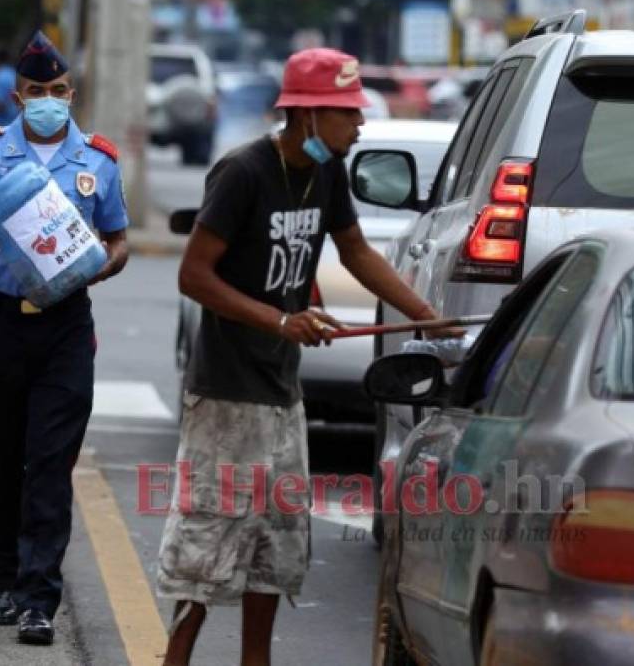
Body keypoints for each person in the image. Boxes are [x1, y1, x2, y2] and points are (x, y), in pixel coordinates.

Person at [156, 48, 458, 666]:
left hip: (281, 392)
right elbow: (193, 275)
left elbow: (356, 252)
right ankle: (175, 658)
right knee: (205, 543)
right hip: (226, 393)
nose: (360, 125)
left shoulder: (327, 174)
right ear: (309, 114)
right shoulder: (242, 173)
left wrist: (424, 314)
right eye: (348, 114)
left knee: (277, 543)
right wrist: (280, 320)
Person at [0, 30, 129, 646]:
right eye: (35, 91)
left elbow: (118, 239)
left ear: (70, 94)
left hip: (66, 327)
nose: (47, 98)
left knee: (49, 461)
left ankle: (39, 597)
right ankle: (6, 577)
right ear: (18, 97)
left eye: (56, 90)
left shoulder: (97, 161)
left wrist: (103, 260)